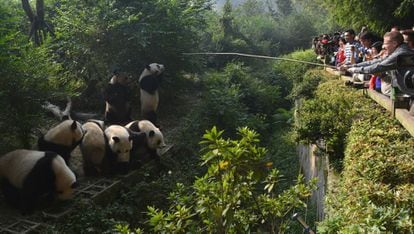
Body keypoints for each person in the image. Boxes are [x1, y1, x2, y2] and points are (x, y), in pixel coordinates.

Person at [340, 31, 414, 95]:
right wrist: (353, 66)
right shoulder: (397, 51)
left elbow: (378, 67)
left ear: (394, 43)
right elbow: (376, 61)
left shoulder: (400, 54)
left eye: (385, 43)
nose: (383, 46)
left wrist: (354, 70)